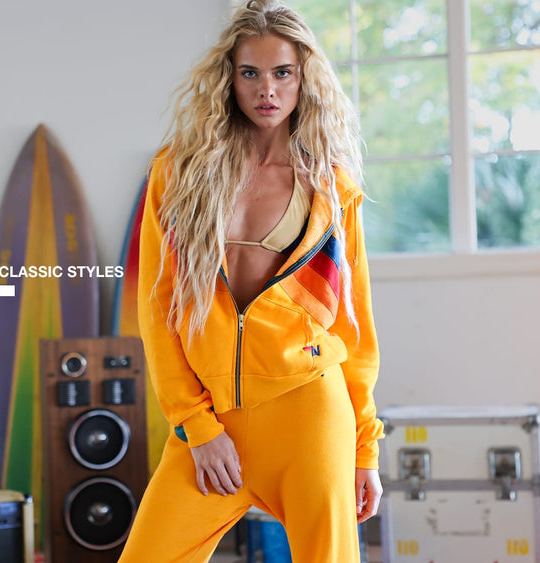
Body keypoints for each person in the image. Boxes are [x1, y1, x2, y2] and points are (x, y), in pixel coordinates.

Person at [119, 1, 384, 561]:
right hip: (213, 422)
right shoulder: (177, 175)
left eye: (282, 72)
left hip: (309, 413)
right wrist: (196, 427)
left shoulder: (330, 189)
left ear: (303, 77)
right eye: (251, 73)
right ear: (230, 80)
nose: (268, 89)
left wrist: (366, 451)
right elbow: (158, 307)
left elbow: (356, 326)